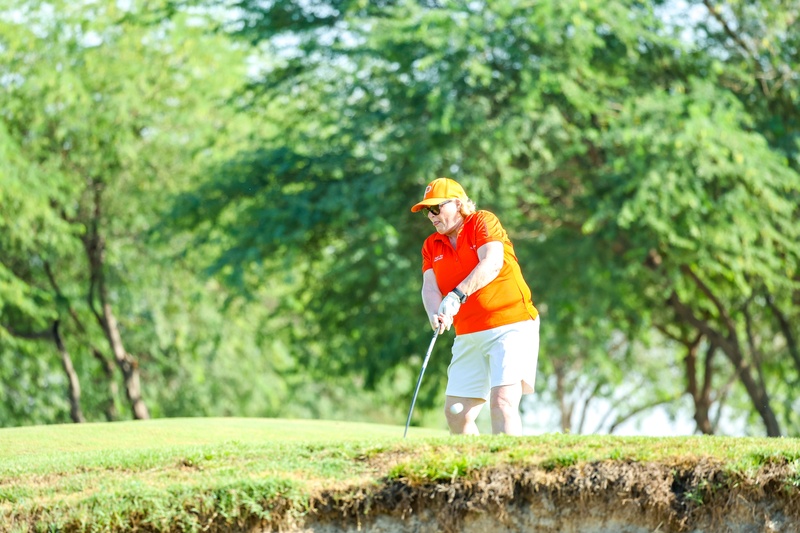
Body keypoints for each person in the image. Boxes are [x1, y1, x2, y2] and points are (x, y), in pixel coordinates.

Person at [410, 177, 540, 435]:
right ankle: (471, 461)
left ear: (458, 204)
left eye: (436, 208)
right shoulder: (431, 245)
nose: (431, 216)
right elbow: (430, 287)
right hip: (468, 332)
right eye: (427, 211)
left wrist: (457, 295)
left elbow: (492, 263)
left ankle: (507, 461)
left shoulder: (482, 221)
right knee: (457, 413)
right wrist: (434, 313)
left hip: (510, 325)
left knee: (502, 403)